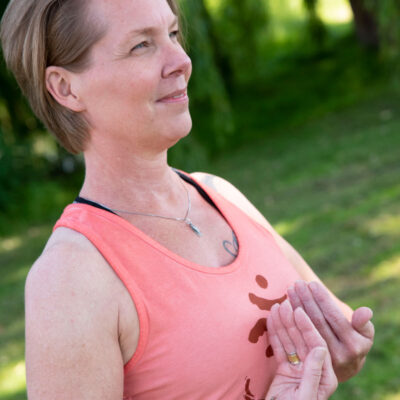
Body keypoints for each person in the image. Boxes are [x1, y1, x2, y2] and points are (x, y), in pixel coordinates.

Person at [0, 0, 374, 398]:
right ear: (66, 88)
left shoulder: (220, 194)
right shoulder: (70, 279)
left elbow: (340, 334)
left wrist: (340, 353)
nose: (181, 60)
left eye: (174, 34)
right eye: (141, 45)